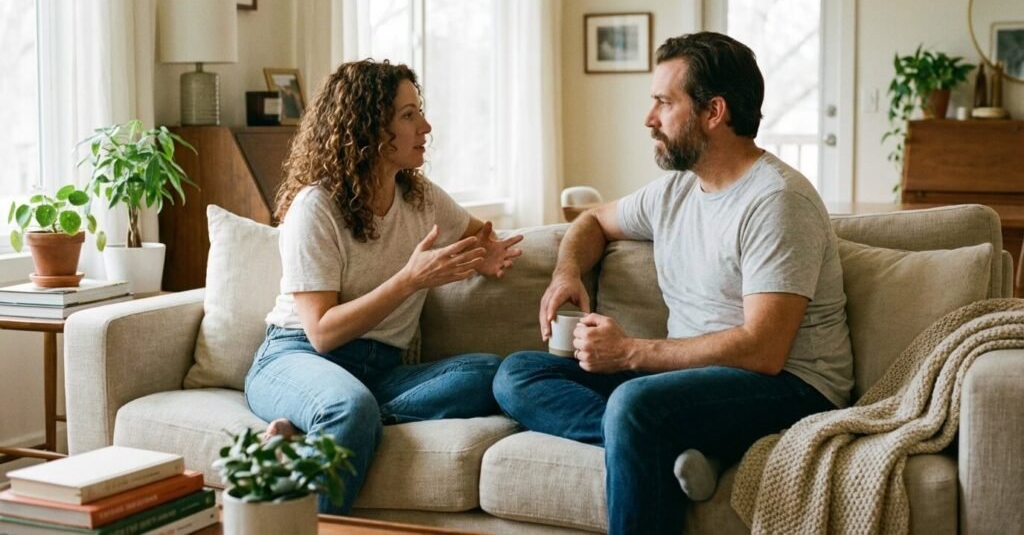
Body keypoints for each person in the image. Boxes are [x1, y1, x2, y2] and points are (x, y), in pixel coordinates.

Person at [492, 32, 853, 534]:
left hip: (791, 386)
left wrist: (631, 353)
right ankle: (677, 445)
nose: (649, 119)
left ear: (714, 112)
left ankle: (651, 434)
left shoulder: (777, 201)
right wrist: (567, 272)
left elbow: (764, 349)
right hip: (689, 379)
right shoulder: (677, 190)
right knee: (518, 375)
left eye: (664, 102)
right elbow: (592, 219)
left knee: (635, 405)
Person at [245, 59, 524, 515]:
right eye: (409, 115)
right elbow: (322, 332)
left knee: (492, 373)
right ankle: (318, 505)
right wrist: (410, 280)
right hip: (298, 357)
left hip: (378, 370)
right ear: (368, 127)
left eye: (420, 112)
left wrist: (486, 252)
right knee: (350, 407)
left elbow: (479, 232)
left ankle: (317, 425)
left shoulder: (421, 197)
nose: (426, 126)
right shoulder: (316, 207)